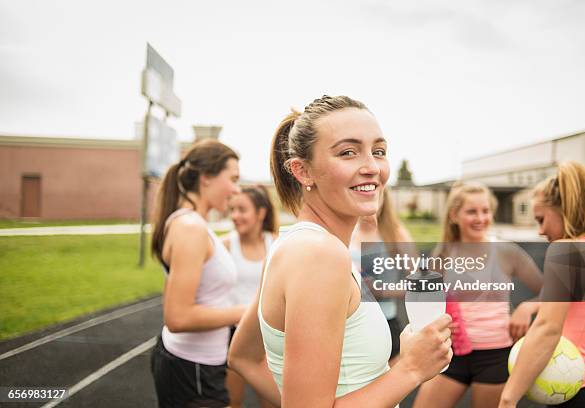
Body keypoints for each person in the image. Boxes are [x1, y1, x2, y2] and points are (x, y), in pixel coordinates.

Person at [228, 95, 452, 408]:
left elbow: (243, 357)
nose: (372, 167)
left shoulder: (295, 244)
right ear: (302, 171)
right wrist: (410, 368)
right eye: (348, 153)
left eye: (378, 151)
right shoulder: (319, 255)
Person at [413, 181, 543, 408]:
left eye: (486, 211)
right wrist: (436, 321)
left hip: (496, 356)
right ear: (454, 215)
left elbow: (552, 293)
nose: (480, 218)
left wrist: (526, 308)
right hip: (452, 354)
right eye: (472, 211)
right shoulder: (443, 253)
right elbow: (421, 299)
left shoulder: (506, 251)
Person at [499, 161, 585, 408]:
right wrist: (531, 306)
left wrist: (508, 398)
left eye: (541, 219)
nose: (540, 231)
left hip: (583, 392)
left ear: (565, 211)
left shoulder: (565, 250)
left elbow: (547, 329)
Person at [149, 139, 246, 408]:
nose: (236, 190)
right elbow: (177, 317)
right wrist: (246, 312)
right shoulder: (190, 227)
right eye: (233, 179)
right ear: (206, 178)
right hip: (192, 368)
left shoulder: (193, 223)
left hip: (199, 364)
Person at [222, 185, 278, 408]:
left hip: (268, 335)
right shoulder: (224, 245)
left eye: (242, 210)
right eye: (232, 209)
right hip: (233, 334)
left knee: (272, 403)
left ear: (261, 213)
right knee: (232, 402)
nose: (235, 216)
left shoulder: (276, 244)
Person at [350, 188, 416, 366]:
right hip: (349, 326)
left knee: (388, 389)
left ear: (383, 198)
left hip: (385, 323)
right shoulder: (346, 231)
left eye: (373, 195)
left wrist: (382, 291)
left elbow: (421, 286)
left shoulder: (396, 234)